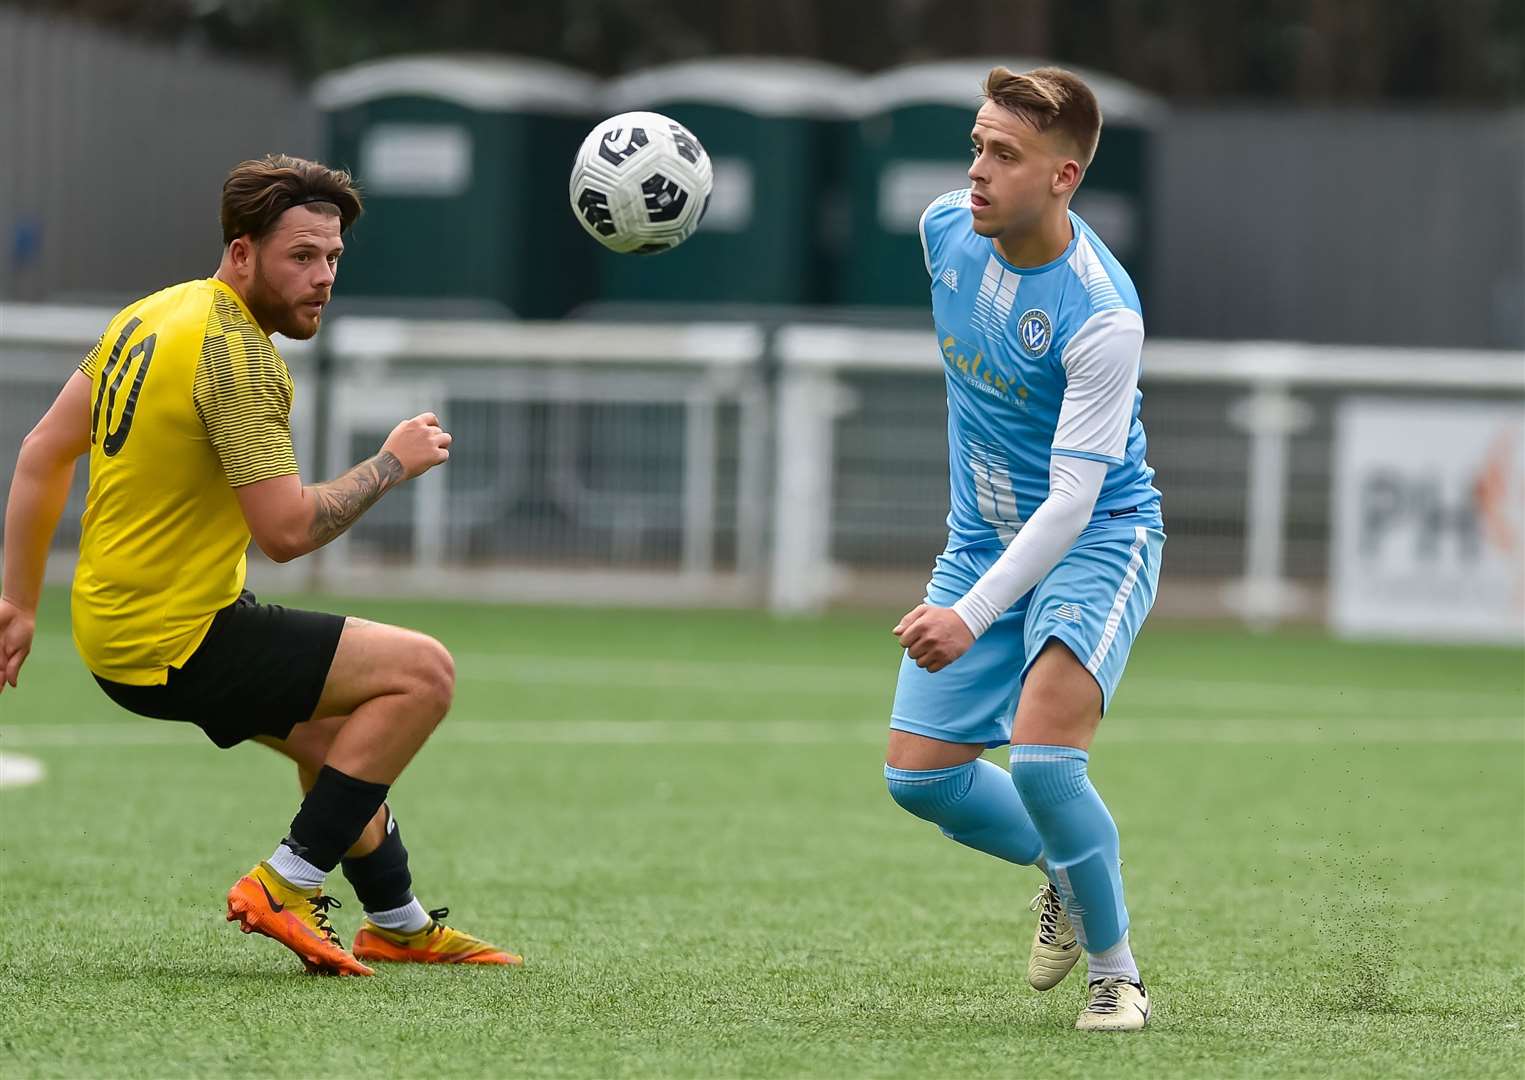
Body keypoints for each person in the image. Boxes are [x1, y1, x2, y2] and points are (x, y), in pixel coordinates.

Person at [0, 154, 518, 976]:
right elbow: (284, 531)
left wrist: (20, 604)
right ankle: (284, 883)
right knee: (423, 674)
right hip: (180, 635)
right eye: (300, 257)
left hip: (117, 630)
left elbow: (40, 450)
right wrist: (392, 462)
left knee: (342, 743)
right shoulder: (236, 357)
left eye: (333, 259)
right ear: (242, 253)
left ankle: (397, 922)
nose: (321, 278)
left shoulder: (154, 312)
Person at [884, 67, 1164, 1031]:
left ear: (1063, 176)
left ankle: (1116, 974)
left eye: (1004, 155)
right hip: (981, 538)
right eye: (975, 145)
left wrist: (970, 613)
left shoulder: (1101, 314)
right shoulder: (942, 232)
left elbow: (1075, 500)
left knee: (1045, 763)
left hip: (1097, 538)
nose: (977, 171)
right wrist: (970, 586)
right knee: (918, 777)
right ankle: (1064, 869)